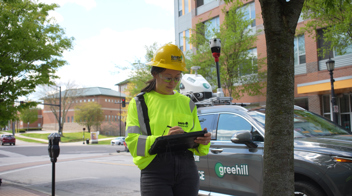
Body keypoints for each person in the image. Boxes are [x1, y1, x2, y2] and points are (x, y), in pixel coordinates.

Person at [125, 43, 211, 196]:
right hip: (155, 172)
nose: (173, 83)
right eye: (168, 78)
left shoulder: (187, 103)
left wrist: (202, 141)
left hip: (187, 170)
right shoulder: (139, 103)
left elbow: (199, 146)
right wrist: (163, 140)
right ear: (155, 74)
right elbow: (132, 143)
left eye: (177, 78)